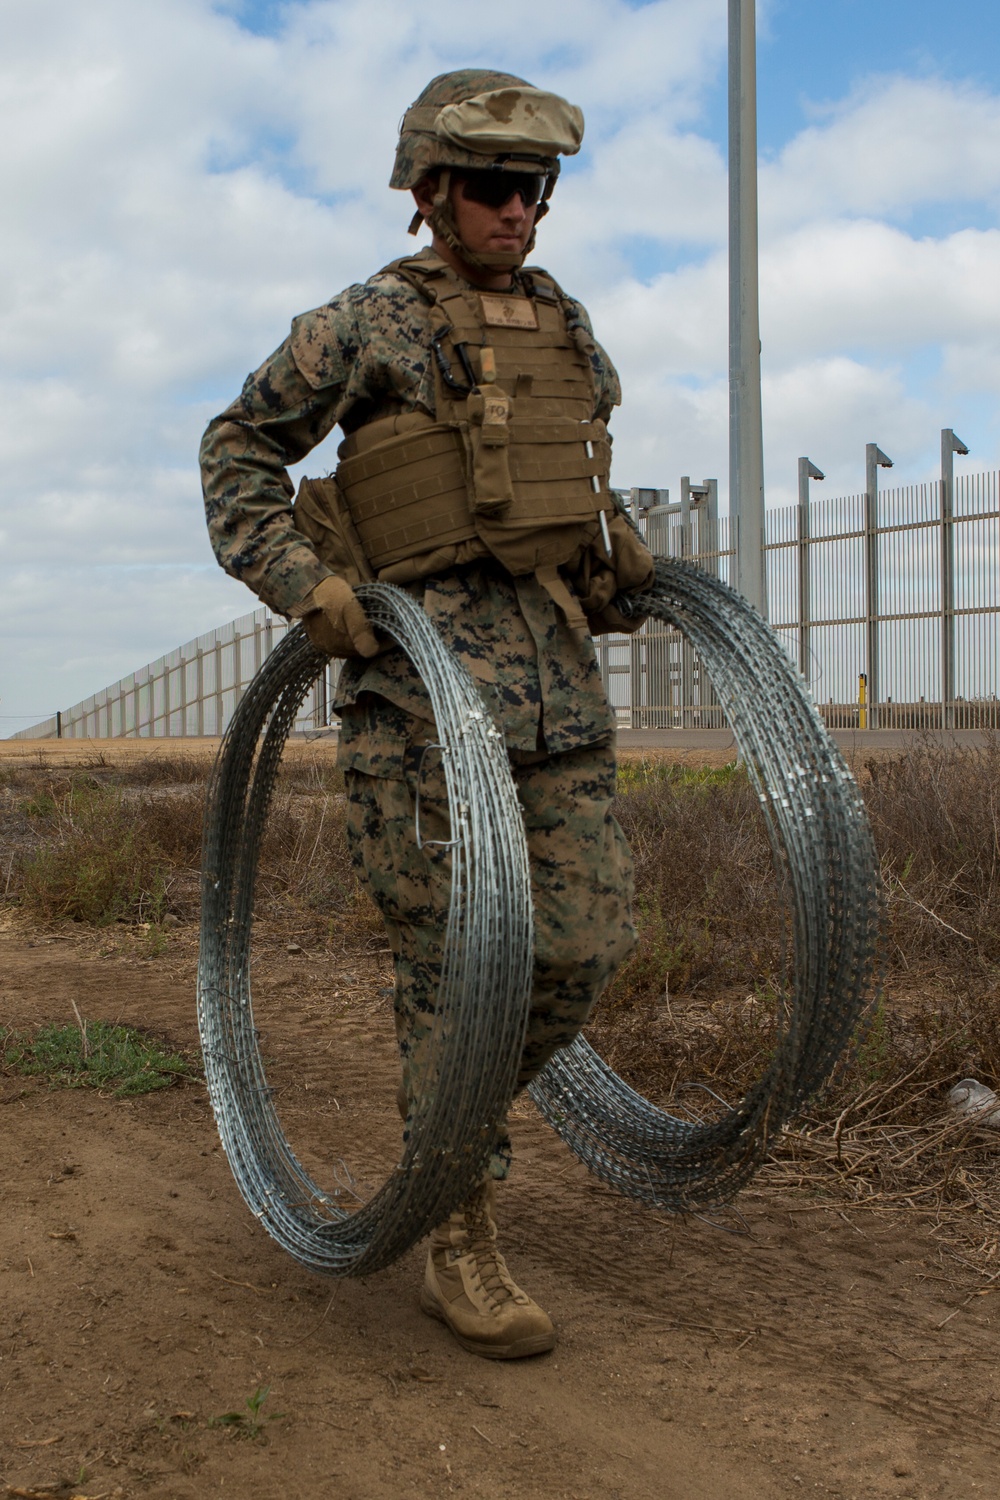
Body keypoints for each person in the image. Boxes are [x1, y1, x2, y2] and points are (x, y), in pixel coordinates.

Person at [200, 68, 654, 1360]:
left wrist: (617, 563)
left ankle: (454, 1143)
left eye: (537, 190)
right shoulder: (367, 326)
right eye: (498, 188)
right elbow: (237, 453)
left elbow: (568, 496)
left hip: (557, 697)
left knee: (580, 945)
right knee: (458, 966)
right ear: (432, 194)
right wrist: (308, 585)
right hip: (421, 704)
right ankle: (458, 1227)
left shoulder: (567, 331)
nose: (522, 212)